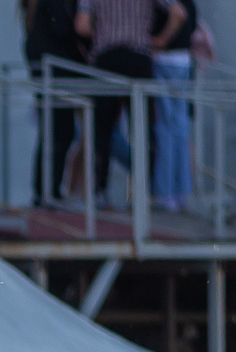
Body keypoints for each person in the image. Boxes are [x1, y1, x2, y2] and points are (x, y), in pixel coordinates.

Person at [78, 0, 186, 204]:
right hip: (139, 56)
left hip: (106, 58)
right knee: (143, 128)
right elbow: (178, 13)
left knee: (102, 129)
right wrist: (161, 40)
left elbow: (82, 25)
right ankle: (144, 191)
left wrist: (105, 33)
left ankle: (98, 191)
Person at [27, 0, 87, 203]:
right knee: (59, 131)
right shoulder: (52, 6)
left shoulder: (37, 8)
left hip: (50, 72)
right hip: (55, 73)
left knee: (54, 131)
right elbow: (64, 29)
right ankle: (47, 190)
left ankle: (46, 189)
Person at [153, 0, 198, 210]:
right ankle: (182, 192)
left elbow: (177, 13)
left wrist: (160, 40)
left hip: (165, 59)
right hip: (183, 60)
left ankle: (165, 193)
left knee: (165, 129)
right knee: (180, 129)